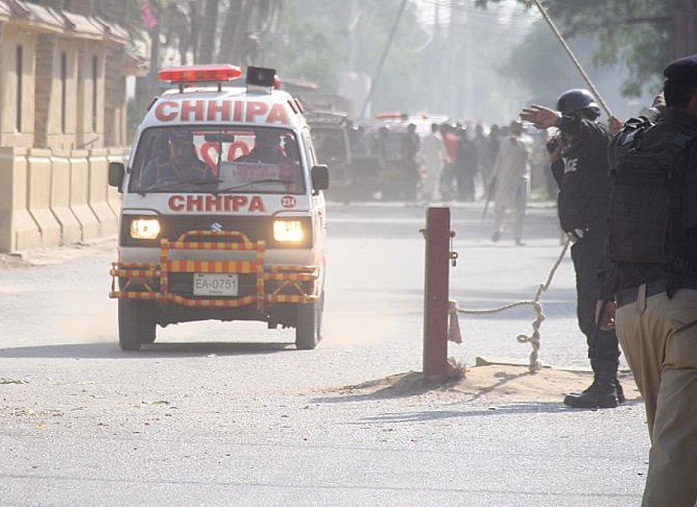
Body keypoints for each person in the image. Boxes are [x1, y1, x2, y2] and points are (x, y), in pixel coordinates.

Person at [599, 56, 697, 506]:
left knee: (672, 442)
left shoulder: (631, 144)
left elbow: (619, 221)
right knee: (679, 454)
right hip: (686, 315)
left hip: (633, 312)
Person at [521, 89, 624, 409]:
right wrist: (555, 162)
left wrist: (559, 120)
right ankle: (609, 381)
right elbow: (571, 187)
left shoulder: (597, 139)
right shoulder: (577, 151)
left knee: (597, 313)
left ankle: (605, 384)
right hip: (585, 241)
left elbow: (593, 130)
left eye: (567, 125)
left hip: (598, 240)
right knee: (589, 314)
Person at [488, 120, 530, 245]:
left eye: (519, 127)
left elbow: (528, 152)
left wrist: (518, 142)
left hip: (522, 178)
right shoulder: (505, 142)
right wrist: (493, 177)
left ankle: (518, 237)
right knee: (500, 206)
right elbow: (499, 161)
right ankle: (498, 229)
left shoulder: (526, 140)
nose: (516, 129)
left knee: (520, 209)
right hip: (505, 179)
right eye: (514, 127)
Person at [141, 129, 214, 188]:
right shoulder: (155, 167)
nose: (180, 152)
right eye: (176, 146)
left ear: (192, 148)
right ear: (170, 147)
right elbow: (142, 194)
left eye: (184, 147)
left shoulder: (204, 171)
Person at [420, 123, 445, 201]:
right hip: (435, 159)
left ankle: (427, 193)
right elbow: (442, 149)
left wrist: (421, 158)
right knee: (435, 177)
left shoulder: (426, 138)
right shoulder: (438, 138)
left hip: (428, 159)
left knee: (428, 177)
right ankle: (433, 194)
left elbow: (422, 150)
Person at [454, 124, 478, 201]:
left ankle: (467, 195)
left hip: (465, 165)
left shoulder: (461, 144)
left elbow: (474, 156)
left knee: (466, 180)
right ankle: (463, 196)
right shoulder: (461, 143)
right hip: (464, 165)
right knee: (464, 181)